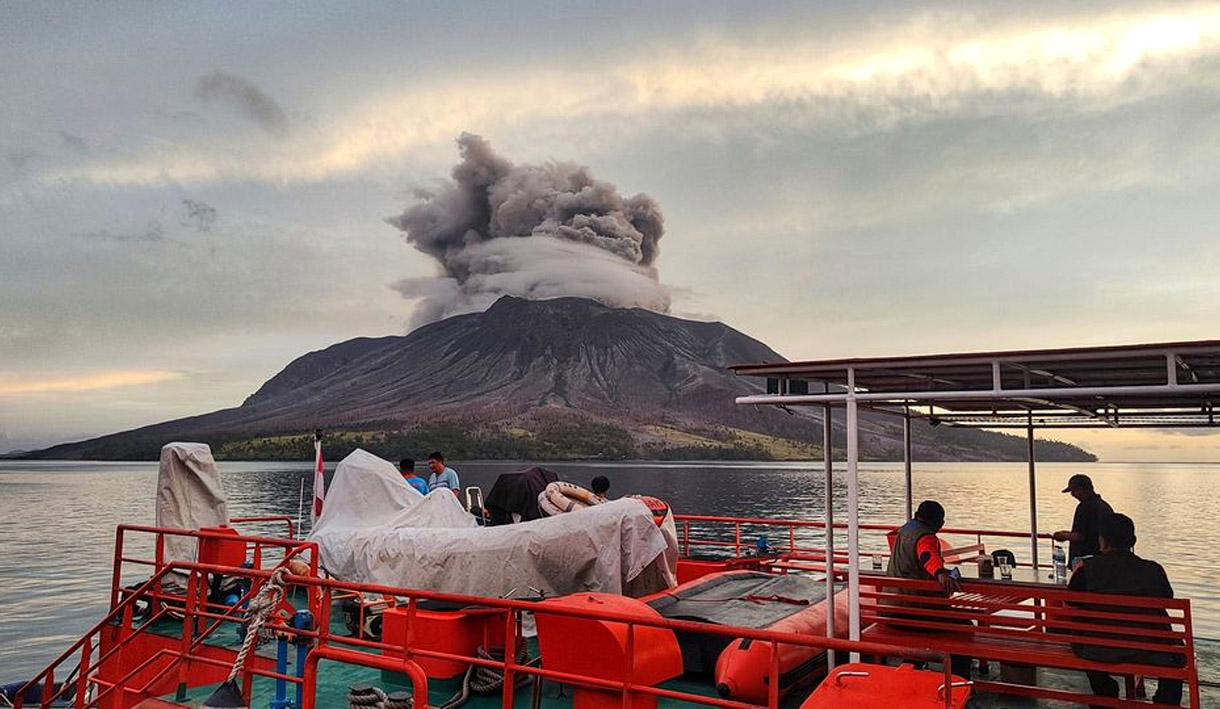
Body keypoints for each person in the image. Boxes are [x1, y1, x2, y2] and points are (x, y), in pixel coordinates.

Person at [1068, 513, 1183, 706]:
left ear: (1102, 542)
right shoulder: (1154, 570)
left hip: (1097, 647)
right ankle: (1165, 702)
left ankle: (1105, 691)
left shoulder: (1086, 569)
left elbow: (1071, 602)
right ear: (1133, 541)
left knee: (1085, 641)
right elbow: (1166, 600)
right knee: (1176, 658)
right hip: (1147, 648)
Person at [886, 500, 971, 678]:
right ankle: (959, 679)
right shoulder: (925, 536)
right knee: (965, 628)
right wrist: (940, 572)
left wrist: (938, 570)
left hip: (890, 610)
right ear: (937, 523)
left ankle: (913, 665)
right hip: (912, 613)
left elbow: (919, 561)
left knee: (943, 622)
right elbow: (927, 555)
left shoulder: (904, 530)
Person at [1053, 474, 1114, 564]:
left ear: (1081, 489)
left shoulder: (1085, 507)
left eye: (1073, 491)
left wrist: (1062, 535)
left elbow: (1080, 536)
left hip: (1085, 561)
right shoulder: (1104, 506)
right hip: (1102, 559)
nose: (1072, 495)